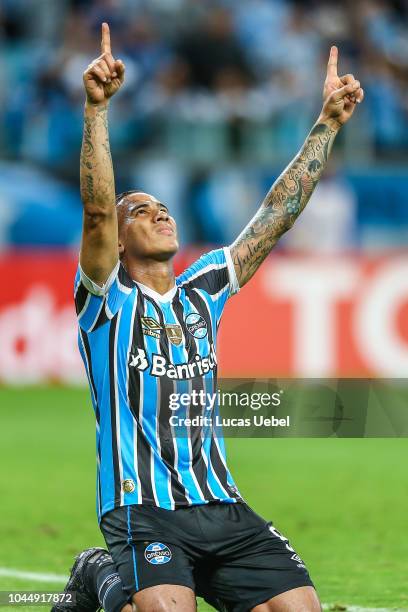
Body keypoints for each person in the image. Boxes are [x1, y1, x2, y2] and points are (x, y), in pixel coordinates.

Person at [54, 22, 363, 612]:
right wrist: (97, 110)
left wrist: (327, 124)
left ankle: (114, 579)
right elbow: (97, 211)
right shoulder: (105, 301)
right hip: (143, 508)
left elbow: (277, 214)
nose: (159, 212)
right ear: (119, 242)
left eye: (163, 207)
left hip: (224, 506)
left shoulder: (206, 287)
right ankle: (103, 573)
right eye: (140, 211)